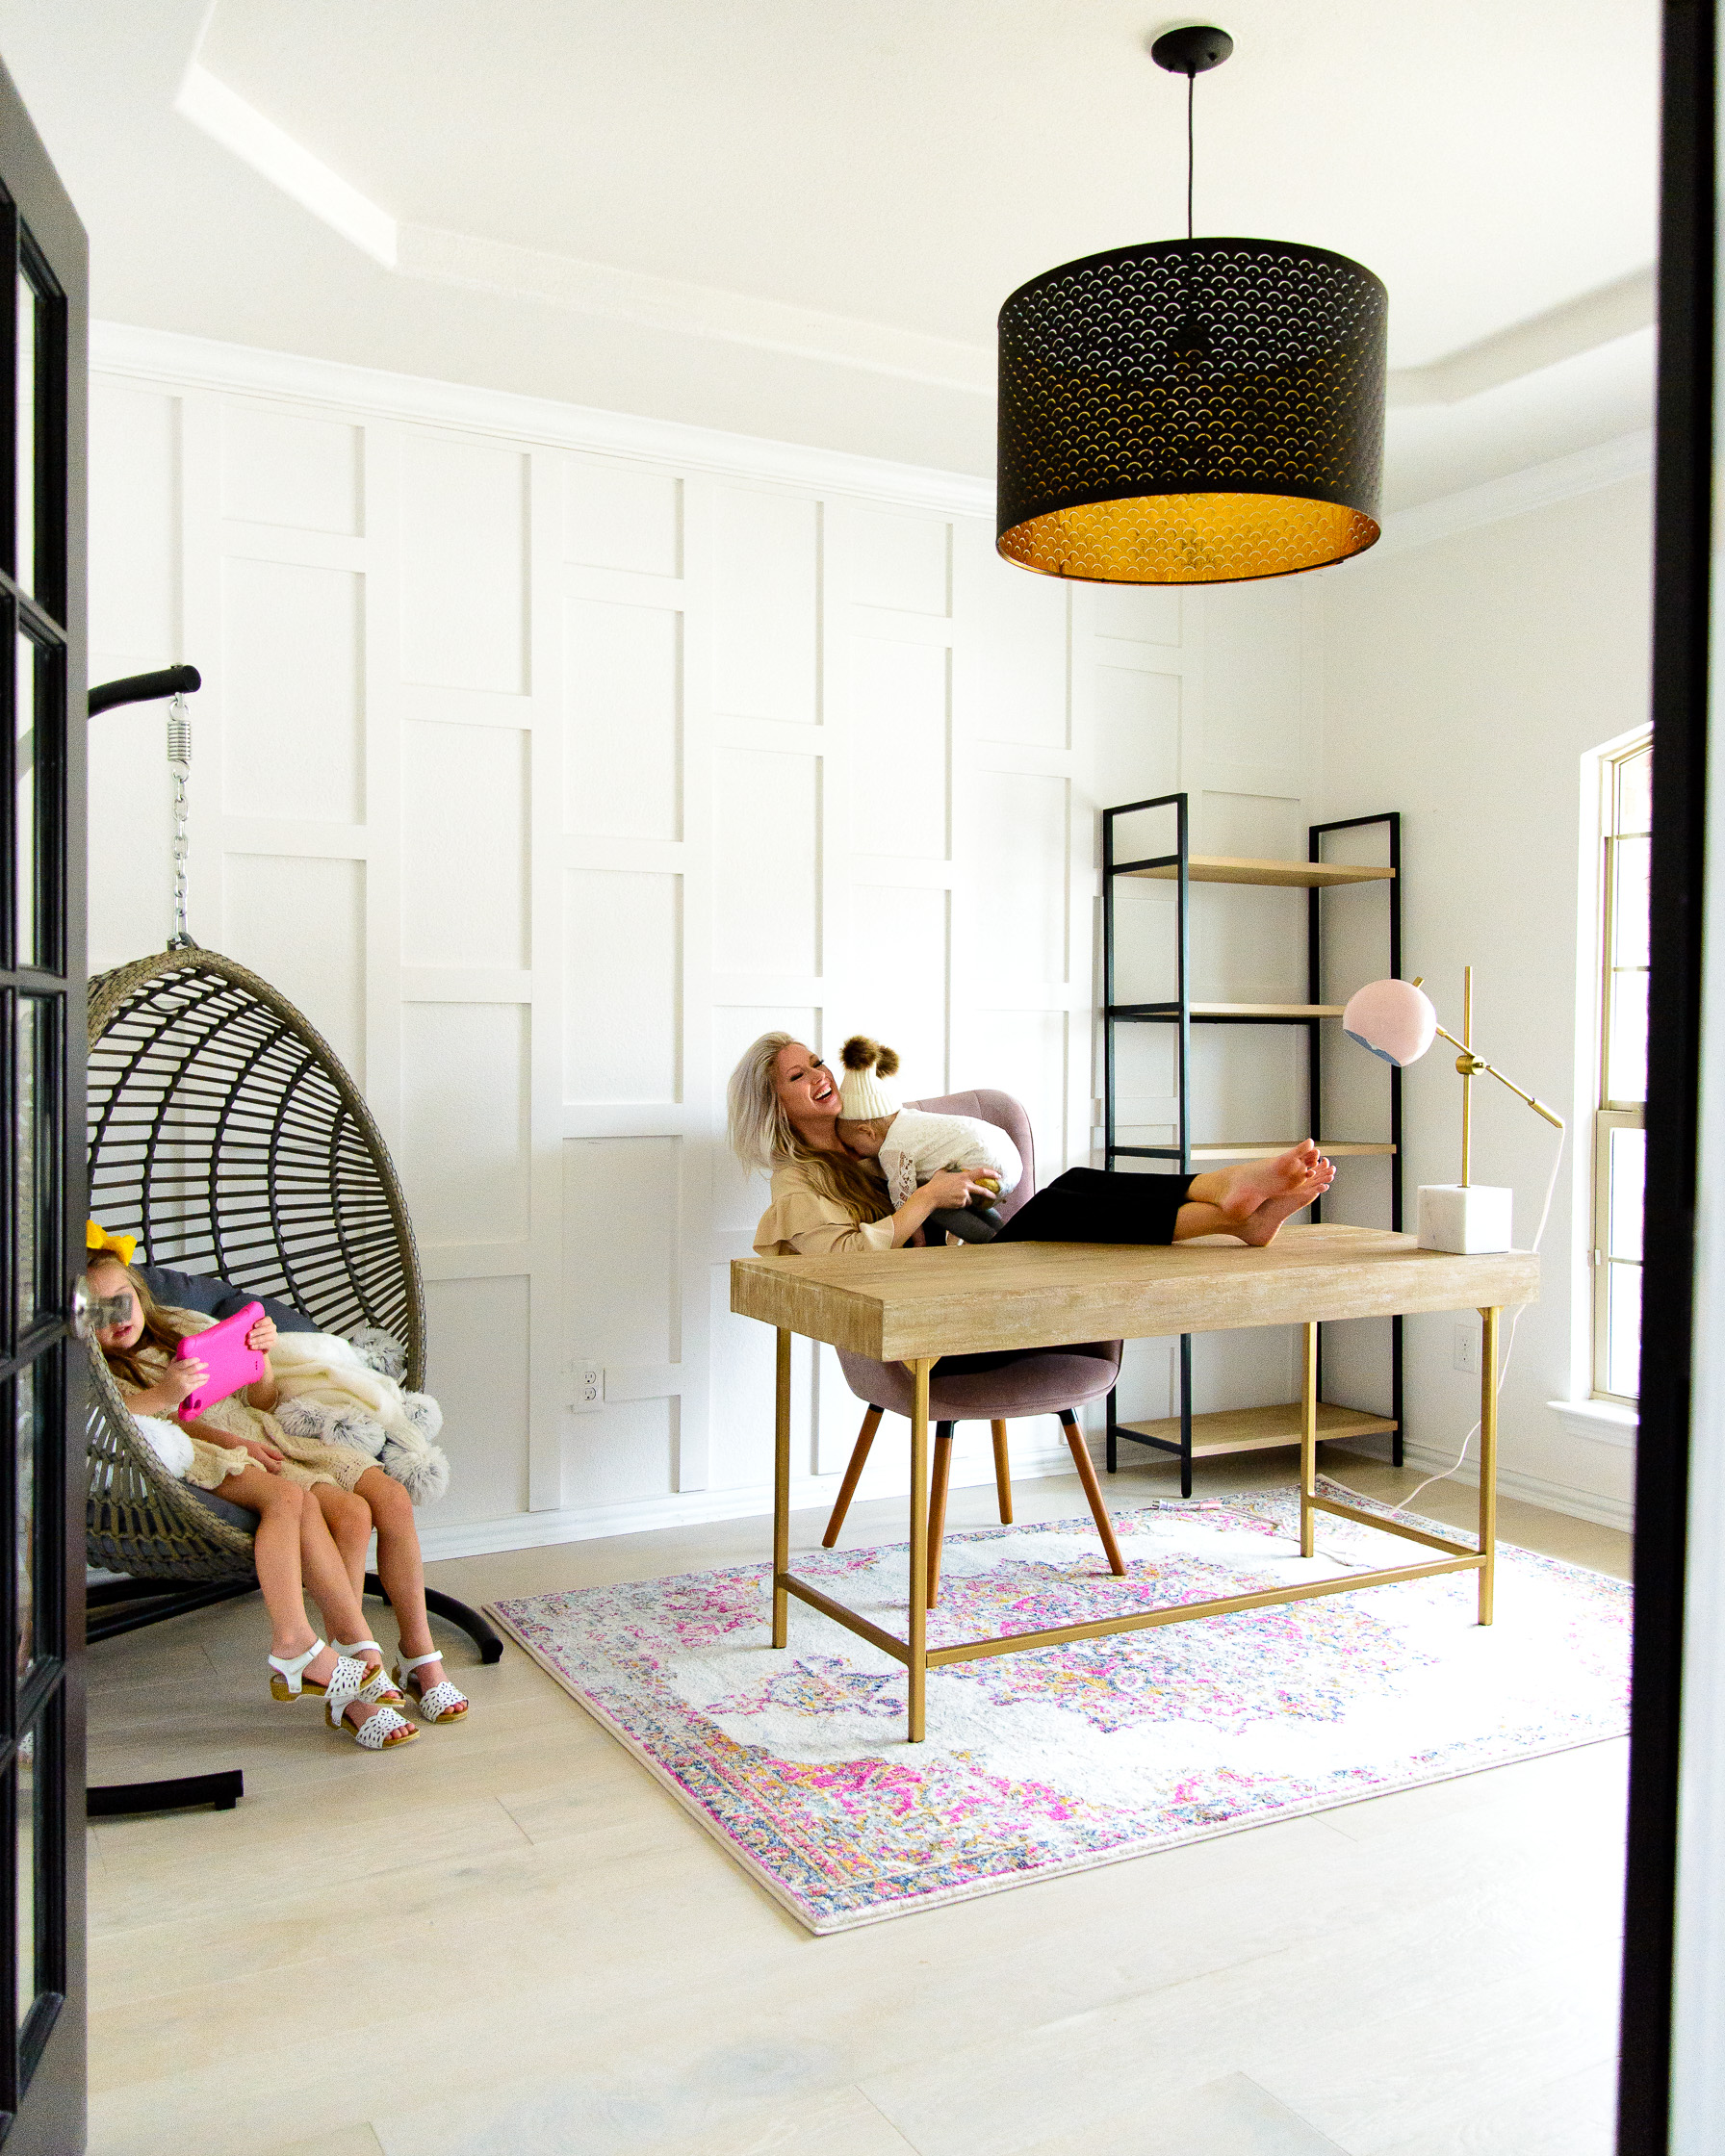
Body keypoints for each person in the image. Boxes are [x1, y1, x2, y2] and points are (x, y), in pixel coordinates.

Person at [87, 1249, 418, 1753]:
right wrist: (171, 1395)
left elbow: (259, 1400)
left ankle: (352, 1659)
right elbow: (115, 1422)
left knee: (353, 1512)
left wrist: (258, 1359)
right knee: (291, 1499)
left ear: (140, 1292)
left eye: (122, 1300)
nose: (116, 1319)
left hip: (258, 1431)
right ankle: (338, 1671)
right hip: (197, 1451)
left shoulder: (182, 1327)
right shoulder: (97, 1368)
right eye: (97, 1312)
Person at [729, 1031, 1335, 1260]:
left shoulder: (872, 1130)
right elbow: (840, 1257)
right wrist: (928, 1198)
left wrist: (949, 1180)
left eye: (816, 1062)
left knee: (1070, 1189)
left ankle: (1232, 1212)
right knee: (1057, 1208)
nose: (820, 1076)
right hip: (920, 1313)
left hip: (966, 1268)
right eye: (797, 1076)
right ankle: (1224, 1200)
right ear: (774, 1105)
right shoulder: (797, 1180)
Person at [834, 1035, 1020, 1243]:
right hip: (1007, 1159)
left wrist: (918, 1240)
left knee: (936, 1201)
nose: (857, 1154)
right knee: (964, 1197)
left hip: (983, 1162)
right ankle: (1005, 1235)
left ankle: (988, 1241)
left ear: (867, 1132)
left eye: (853, 1146)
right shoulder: (911, 1119)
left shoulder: (892, 1148)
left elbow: (904, 1201)